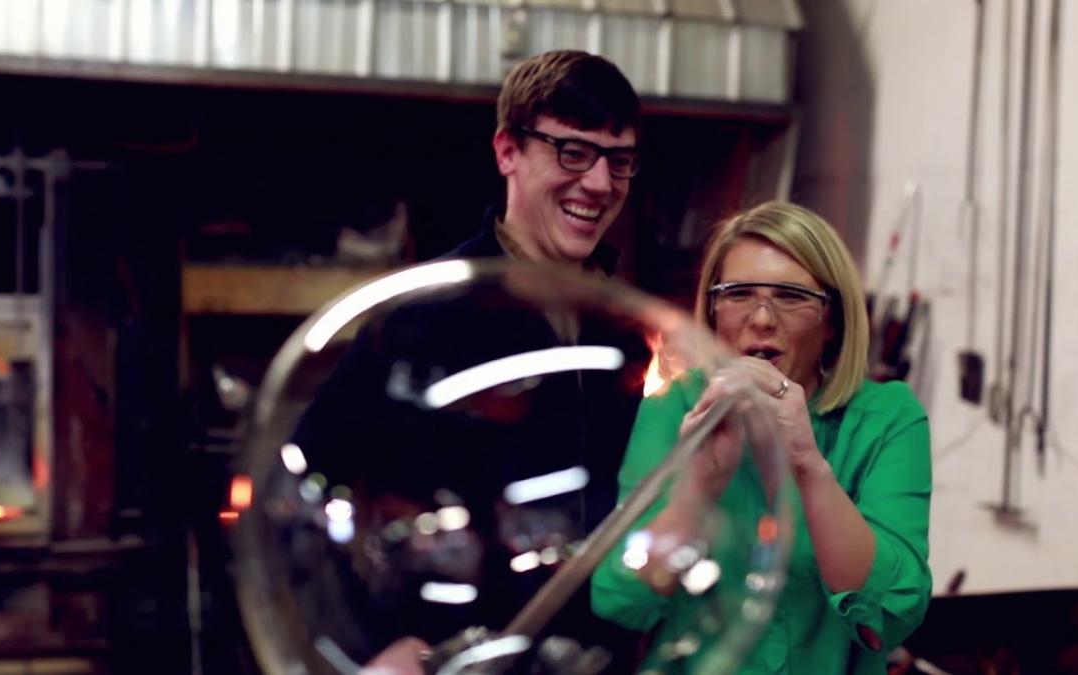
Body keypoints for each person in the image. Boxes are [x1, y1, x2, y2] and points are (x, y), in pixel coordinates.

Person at [289, 50, 648, 673]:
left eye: (619, 160)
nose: (598, 182)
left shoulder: (626, 331)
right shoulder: (425, 316)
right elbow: (305, 486)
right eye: (572, 152)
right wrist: (375, 644)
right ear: (508, 151)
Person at [590, 201, 932, 674]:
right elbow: (618, 599)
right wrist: (698, 488)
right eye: (738, 293)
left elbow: (894, 611)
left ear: (832, 323)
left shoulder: (887, 417)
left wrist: (808, 465)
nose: (762, 319)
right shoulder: (675, 406)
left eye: (791, 296)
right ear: (712, 312)